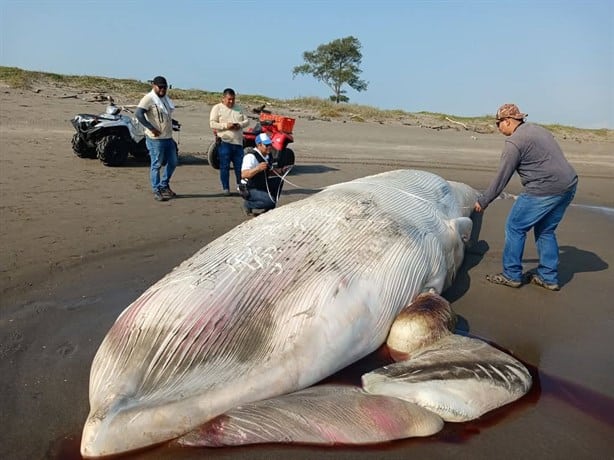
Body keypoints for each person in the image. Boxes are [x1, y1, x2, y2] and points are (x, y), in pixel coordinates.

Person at [474, 103, 578, 291]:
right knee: (545, 230)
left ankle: (511, 275)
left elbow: (501, 179)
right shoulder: (538, 130)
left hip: (544, 188)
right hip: (569, 184)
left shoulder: (514, 142)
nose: (498, 128)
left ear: (506, 121)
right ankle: (548, 278)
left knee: (515, 227)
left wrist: (483, 201)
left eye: (498, 124)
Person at [136, 76, 178, 202]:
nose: (163, 90)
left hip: (168, 137)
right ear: (154, 86)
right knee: (157, 164)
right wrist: (151, 128)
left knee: (173, 162)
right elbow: (138, 114)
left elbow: (165, 115)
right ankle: (156, 189)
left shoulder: (165, 99)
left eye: (165, 87)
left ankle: (164, 184)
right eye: (160, 87)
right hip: (155, 139)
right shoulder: (148, 99)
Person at [209, 88, 249, 195]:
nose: (231, 102)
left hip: (238, 143)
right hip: (224, 142)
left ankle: (240, 187)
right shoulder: (217, 108)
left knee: (239, 167)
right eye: (229, 99)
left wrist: (239, 125)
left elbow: (246, 121)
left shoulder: (239, 108)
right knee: (224, 166)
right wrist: (226, 125)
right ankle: (225, 188)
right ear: (223, 98)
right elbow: (212, 123)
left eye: (233, 99)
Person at [239, 133, 288, 216]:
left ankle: (269, 205)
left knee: (279, 181)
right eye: (266, 145)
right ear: (259, 145)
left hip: (261, 183)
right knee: (270, 202)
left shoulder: (268, 156)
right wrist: (258, 168)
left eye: (270, 144)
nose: (269, 147)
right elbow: (244, 174)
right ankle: (248, 204)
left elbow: (268, 171)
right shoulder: (250, 157)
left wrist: (280, 171)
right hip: (249, 187)